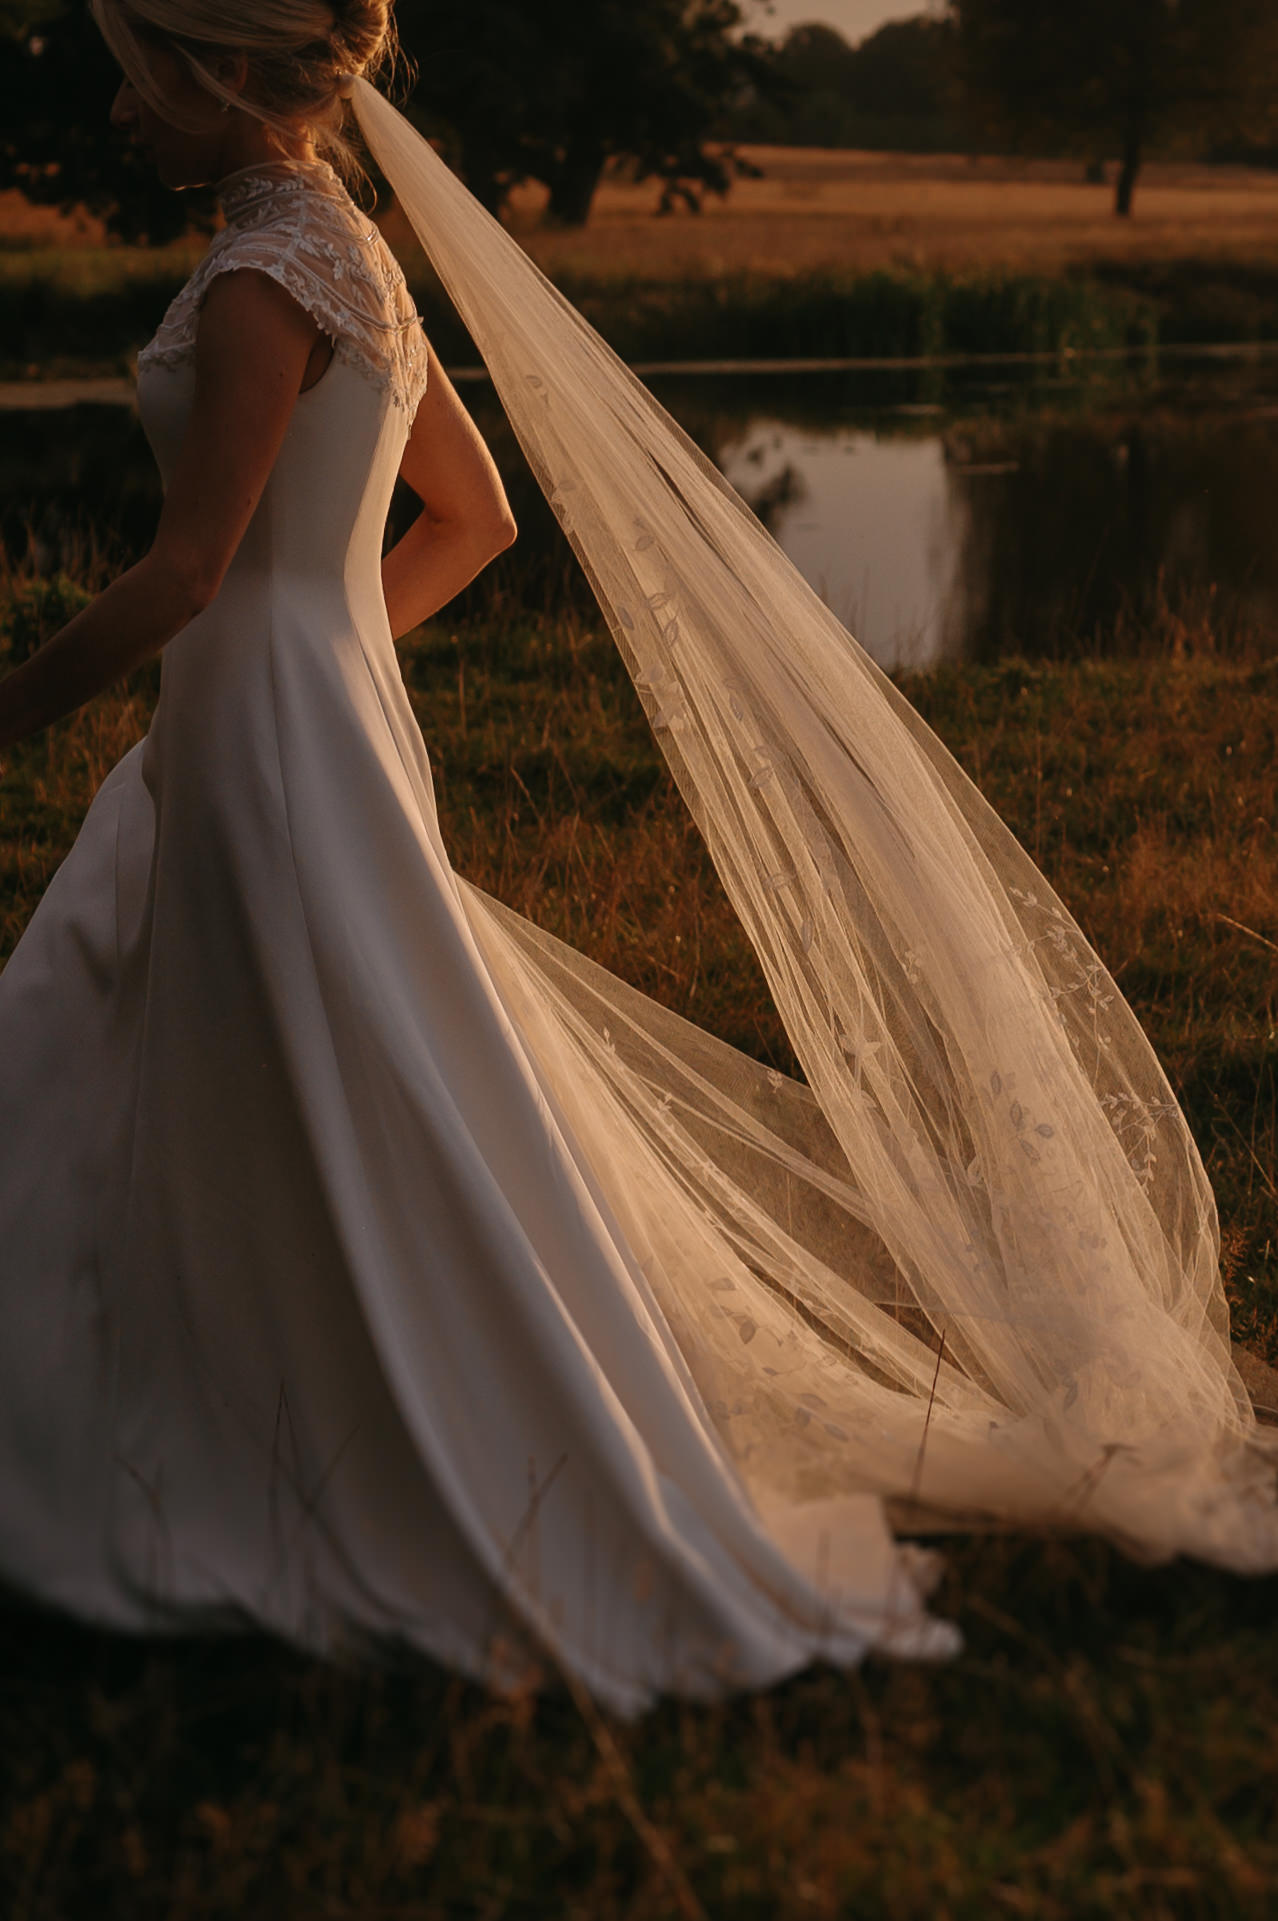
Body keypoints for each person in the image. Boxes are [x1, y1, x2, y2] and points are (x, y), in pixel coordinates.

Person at [0, 0, 1273, 1721]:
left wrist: (48, 699)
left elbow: (185, 572)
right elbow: (478, 517)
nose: (114, 99)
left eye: (133, 67)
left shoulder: (256, 280)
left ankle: (273, 1424)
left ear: (212, 73)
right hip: (308, 731)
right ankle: (228, 1383)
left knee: (284, 1048)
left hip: (267, 743)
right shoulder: (343, 252)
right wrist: (335, 665)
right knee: (308, 1049)